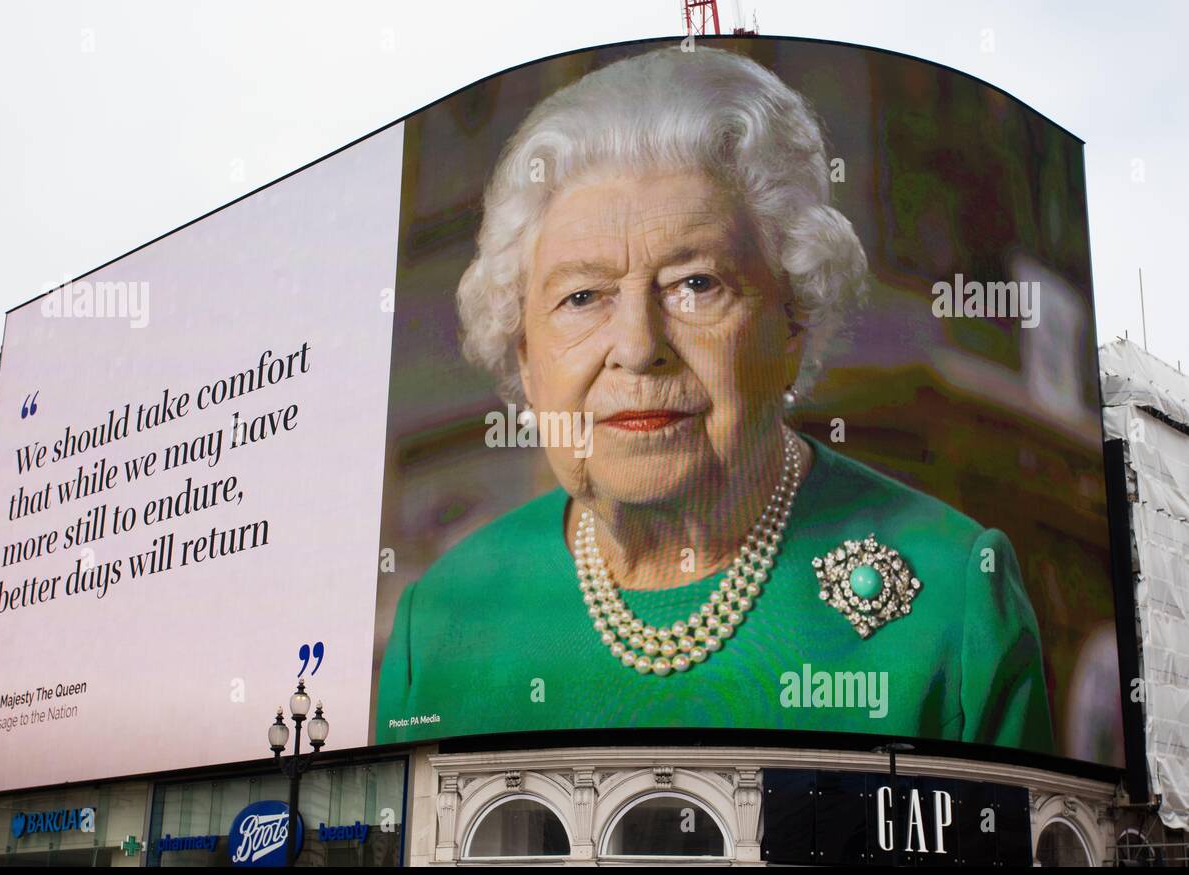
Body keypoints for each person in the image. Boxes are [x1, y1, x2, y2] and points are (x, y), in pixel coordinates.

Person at [376, 47, 1053, 754]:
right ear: (524, 354)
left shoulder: (955, 596)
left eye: (695, 284)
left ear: (793, 319)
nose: (638, 346)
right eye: (582, 297)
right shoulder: (443, 619)